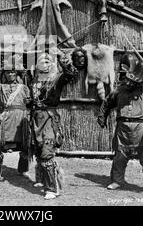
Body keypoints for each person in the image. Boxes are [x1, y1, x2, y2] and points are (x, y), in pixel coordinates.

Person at [97, 58, 143, 192]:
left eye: (132, 82)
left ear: (138, 82)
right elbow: (107, 103)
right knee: (120, 156)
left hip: (142, 128)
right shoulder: (119, 91)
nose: (129, 83)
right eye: (128, 80)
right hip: (123, 128)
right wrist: (102, 117)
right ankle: (117, 181)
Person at [28, 50, 81, 200]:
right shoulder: (33, 80)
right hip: (35, 118)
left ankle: (52, 188)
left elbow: (71, 75)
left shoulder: (57, 78)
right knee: (38, 151)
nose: (45, 63)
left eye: (48, 61)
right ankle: (43, 178)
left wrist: (65, 63)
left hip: (49, 119)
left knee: (47, 151)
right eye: (42, 61)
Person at [0, 54, 31, 182]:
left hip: (21, 118)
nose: (10, 75)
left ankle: (23, 170)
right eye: (8, 73)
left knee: (25, 145)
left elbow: (29, 102)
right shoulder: (1, 87)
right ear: (5, 74)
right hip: (7, 118)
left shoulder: (24, 88)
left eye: (13, 72)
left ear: (16, 74)